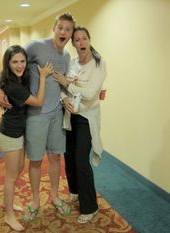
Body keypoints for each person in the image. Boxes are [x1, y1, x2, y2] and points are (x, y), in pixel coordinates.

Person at [0, 13, 76, 222]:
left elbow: (61, 84)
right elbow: (12, 64)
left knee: (55, 157)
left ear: (71, 34)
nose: (63, 32)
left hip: (56, 115)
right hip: (35, 116)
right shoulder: (36, 46)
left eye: (68, 29)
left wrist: (66, 97)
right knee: (35, 160)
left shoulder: (67, 57)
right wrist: (0, 89)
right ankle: (34, 200)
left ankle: (54, 195)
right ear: (54, 28)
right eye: (60, 27)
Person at [0, 45, 53, 231]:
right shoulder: (13, 85)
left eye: (22, 61)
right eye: (15, 62)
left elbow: (0, 79)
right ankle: (9, 216)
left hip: (18, 132)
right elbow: (38, 102)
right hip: (10, 133)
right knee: (11, 176)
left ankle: (7, 203)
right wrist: (43, 77)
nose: (20, 65)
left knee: (18, 169)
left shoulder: (16, 78)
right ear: (8, 64)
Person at [53, 26, 107, 224]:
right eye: (77, 40)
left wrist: (67, 85)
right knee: (69, 155)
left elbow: (90, 93)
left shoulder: (99, 64)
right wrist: (62, 99)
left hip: (86, 117)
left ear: (89, 40)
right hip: (69, 115)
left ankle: (90, 207)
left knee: (80, 160)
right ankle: (75, 191)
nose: (81, 42)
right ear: (73, 43)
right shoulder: (73, 63)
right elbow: (60, 87)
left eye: (84, 38)